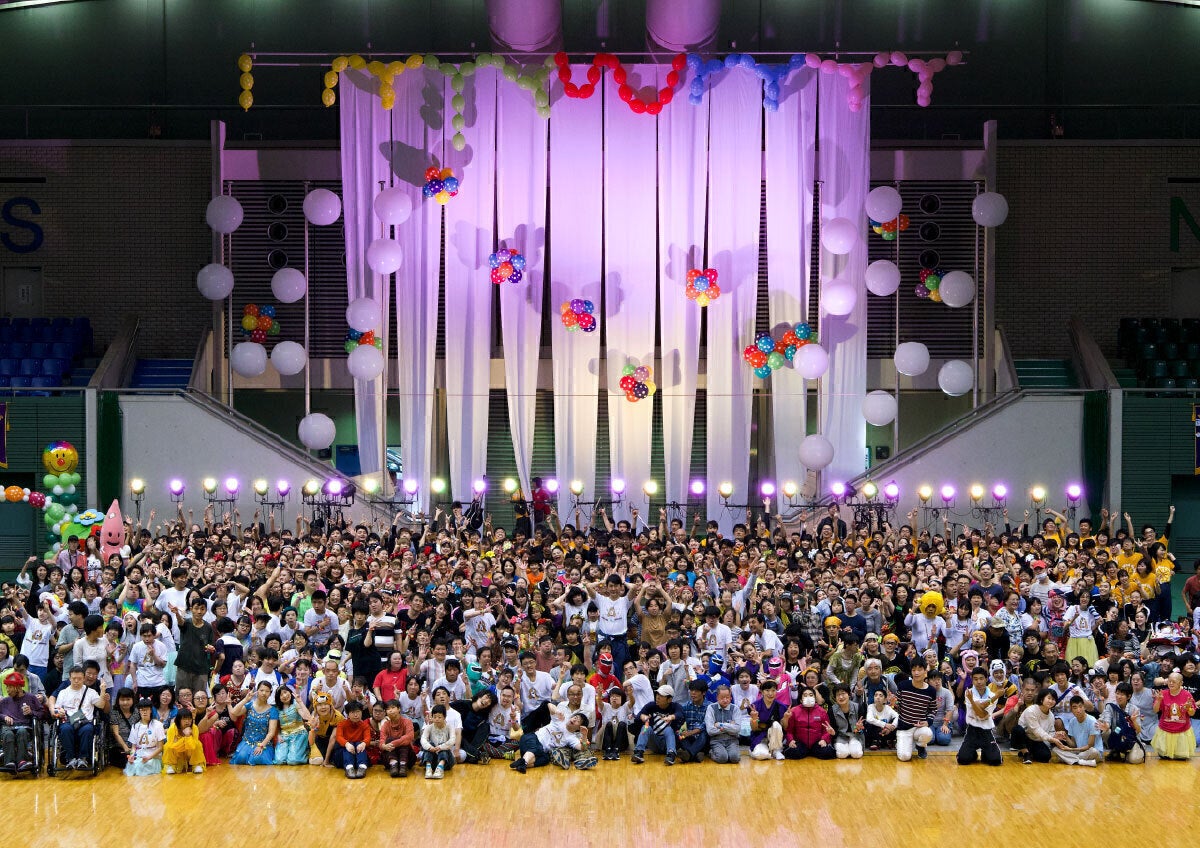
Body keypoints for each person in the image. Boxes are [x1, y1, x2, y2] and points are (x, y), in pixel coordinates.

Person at [47, 665, 102, 770]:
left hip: (85, 721)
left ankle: (83, 758)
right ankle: (70, 758)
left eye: (79, 678)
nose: (76, 681)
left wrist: (103, 691)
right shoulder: (63, 692)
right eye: (74, 678)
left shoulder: (91, 692)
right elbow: (57, 709)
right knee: (65, 729)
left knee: (88, 729)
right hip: (68, 721)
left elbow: (101, 705)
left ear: (84, 678)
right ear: (70, 678)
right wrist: (59, 712)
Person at [509, 701, 586, 773]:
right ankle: (524, 763)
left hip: (533, 752)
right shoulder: (560, 720)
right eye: (575, 717)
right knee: (536, 747)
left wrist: (584, 735)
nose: (574, 719)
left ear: (579, 728)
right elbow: (548, 704)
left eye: (578, 721)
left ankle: (523, 762)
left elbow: (582, 748)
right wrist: (557, 711)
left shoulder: (571, 738)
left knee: (545, 759)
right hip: (530, 738)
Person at [957, 666, 1003, 766]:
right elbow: (980, 709)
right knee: (963, 759)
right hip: (972, 730)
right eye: (975, 679)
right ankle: (972, 753)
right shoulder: (969, 692)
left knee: (995, 760)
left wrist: (973, 701)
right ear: (972, 680)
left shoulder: (992, 694)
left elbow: (982, 715)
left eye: (981, 678)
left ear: (986, 679)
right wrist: (995, 697)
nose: (979, 682)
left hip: (986, 730)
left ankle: (986, 753)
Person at [894, 659, 936, 761]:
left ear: (925, 671)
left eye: (919, 670)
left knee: (928, 733)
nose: (916, 673)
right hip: (904, 727)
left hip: (919, 727)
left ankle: (920, 746)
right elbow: (896, 706)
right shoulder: (902, 686)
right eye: (913, 670)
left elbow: (933, 710)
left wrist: (928, 722)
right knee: (904, 757)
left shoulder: (931, 691)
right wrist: (893, 704)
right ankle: (903, 742)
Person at [631, 684, 683, 765]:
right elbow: (639, 715)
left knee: (668, 729)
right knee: (646, 727)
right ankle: (638, 752)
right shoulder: (651, 705)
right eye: (657, 694)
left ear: (669, 699)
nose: (657, 697)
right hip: (655, 742)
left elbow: (680, 714)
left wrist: (671, 717)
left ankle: (671, 754)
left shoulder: (675, 706)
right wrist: (643, 716)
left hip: (669, 742)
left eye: (661, 696)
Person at [229, 681, 278, 765]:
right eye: (261, 690)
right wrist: (245, 700)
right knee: (241, 757)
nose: (264, 693)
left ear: (270, 694)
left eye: (267, 691)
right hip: (247, 742)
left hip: (264, 743)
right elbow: (234, 712)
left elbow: (271, 732)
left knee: (257, 758)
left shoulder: (273, 710)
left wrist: (261, 745)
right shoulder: (250, 705)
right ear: (257, 691)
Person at [0, 672, 41, 772]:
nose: (7, 690)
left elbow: (42, 713)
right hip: (8, 727)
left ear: (18, 687)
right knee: (8, 734)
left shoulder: (31, 698)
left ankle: (22, 761)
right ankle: (9, 762)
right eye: (6, 687)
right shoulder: (5, 701)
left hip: (24, 727)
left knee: (22, 732)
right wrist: (4, 717)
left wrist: (31, 712)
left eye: (10, 687)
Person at [1151, 671, 1197, 760]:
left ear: (1181, 683)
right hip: (1165, 729)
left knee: (1181, 757)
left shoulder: (1187, 695)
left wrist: (1188, 708)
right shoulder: (1163, 693)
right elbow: (1155, 710)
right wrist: (1158, 700)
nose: (1171, 683)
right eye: (1169, 681)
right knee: (1164, 756)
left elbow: (1192, 713)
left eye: (1174, 682)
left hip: (1182, 730)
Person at [783, 685, 834, 760]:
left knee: (828, 753)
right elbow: (789, 730)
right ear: (801, 700)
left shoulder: (822, 711)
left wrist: (824, 740)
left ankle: (811, 752)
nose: (808, 697)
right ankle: (806, 752)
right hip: (800, 743)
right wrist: (791, 740)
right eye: (805, 695)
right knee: (793, 753)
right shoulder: (794, 711)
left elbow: (826, 730)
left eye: (811, 695)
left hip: (817, 742)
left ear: (815, 699)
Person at [1103, 681, 1145, 763]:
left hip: (1131, 739)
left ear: (1128, 696)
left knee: (1134, 760)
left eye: (1122, 694)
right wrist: (1106, 726)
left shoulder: (1134, 709)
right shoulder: (1110, 706)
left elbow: (1138, 730)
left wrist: (1133, 721)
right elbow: (1107, 720)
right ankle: (1115, 750)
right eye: (1117, 693)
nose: (1118, 697)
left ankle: (1135, 750)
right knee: (1106, 732)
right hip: (1117, 736)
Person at [273, 684, 314, 765]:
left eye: (285, 692)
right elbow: (277, 726)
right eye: (281, 695)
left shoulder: (295, 703)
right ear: (278, 698)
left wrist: (300, 702)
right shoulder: (277, 709)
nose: (284, 696)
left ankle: (306, 752)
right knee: (279, 761)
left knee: (293, 760)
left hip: (299, 734)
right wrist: (278, 735)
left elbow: (307, 717)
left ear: (290, 692)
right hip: (284, 736)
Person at [1055, 695, 1102, 766]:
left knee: (1094, 751)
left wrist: (1070, 750)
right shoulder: (1072, 722)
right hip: (1079, 752)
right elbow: (1073, 745)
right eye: (1075, 707)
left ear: (1084, 707)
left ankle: (1071, 760)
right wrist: (1065, 736)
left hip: (1091, 752)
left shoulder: (1092, 721)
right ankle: (1082, 762)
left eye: (1080, 706)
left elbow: (1090, 746)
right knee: (1055, 750)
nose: (1078, 710)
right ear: (1071, 709)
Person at [1015, 688, 1059, 764]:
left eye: (1053, 699)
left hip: (1037, 740)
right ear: (1041, 699)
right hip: (1025, 738)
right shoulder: (1031, 710)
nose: (1051, 701)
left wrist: (1055, 736)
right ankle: (1025, 753)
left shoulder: (1051, 716)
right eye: (1049, 698)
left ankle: (1029, 751)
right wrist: (1052, 739)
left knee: (1046, 757)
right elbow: (1036, 730)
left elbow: (1051, 731)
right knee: (1017, 729)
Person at [124, 697, 166, 776]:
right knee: (133, 767)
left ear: (150, 710)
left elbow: (160, 748)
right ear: (139, 711)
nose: (144, 712)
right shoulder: (135, 726)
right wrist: (132, 756)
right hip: (139, 756)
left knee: (143, 766)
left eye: (146, 709)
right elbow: (133, 747)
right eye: (142, 710)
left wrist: (149, 757)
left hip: (153, 757)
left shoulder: (158, 725)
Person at [748, 678, 787, 760]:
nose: (770, 693)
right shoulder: (755, 706)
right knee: (761, 755)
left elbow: (785, 727)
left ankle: (776, 750)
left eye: (773, 690)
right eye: (767, 690)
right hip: (760, 737)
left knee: (776, 724)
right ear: (762, 691)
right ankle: (764, 750)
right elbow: (754, 729)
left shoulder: (781, 706)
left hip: (775, 737)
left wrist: (786, 718)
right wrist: (754, 719)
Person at [704, 684, 743, 764]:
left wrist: (719, 725)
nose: (725, 700)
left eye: (727, 697)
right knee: (722, 758)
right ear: (717, 698)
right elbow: (710, 730)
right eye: (722, 698)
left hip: (732, 740)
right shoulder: (711, 708)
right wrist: (730, 726)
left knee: (735, 758)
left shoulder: (735, 708)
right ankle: (711, 752)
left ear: (731, 697)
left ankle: (729, 753)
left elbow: (737, 729)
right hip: (716, 740)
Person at [379, 698, 415, 777]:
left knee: (404, 742)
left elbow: (410, 737)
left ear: (399, 709)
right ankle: (393, 764)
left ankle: (403, 765)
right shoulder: (385, 724)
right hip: (389, 759)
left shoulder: (407, 722)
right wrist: (384, 746)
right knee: (388, 740)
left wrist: (393, 743)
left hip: (408, 758)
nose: (390, 711)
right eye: (388, 709)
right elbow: (382, 740)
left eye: (393, 708)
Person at [162, 709, 206, 774]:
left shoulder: (194, 728)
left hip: (189, 751)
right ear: (178, 720)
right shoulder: (172, 728)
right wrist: (184, 740)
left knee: (198, 744)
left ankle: (197, 765)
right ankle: (170, 765)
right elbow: (172, 745)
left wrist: (187, 736)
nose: (187, 721)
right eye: (184, 719)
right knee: (167, 746)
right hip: (177, 753)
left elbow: (193, 746)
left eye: (189, 719)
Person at [336, 700, 371, 778]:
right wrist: (347, 744)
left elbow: (368, 738)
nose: (356, 715)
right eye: (352, 712)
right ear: (348, 714)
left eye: (358, 712)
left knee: (359, 744)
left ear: (362, 712)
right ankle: (349, 767)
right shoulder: (341, 724)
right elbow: (339, 737)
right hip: (344, 753)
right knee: (350, 744)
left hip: (359, 752)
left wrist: (363, 743)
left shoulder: (365, 725)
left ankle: (362, 767)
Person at [677, 679, 710, 763]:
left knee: (704, 733)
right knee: (678, 734)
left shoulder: (710, 707)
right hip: (689, 738)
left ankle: (689, 754)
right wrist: (681, 731)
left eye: (696, 691)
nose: (693, 693)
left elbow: (706, 725)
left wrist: (691, 732)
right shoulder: (685, 706)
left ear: (703, 692)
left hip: (703, 740)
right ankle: (695, 754)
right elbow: (680, 722)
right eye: (691, 690)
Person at [828, 683, 864, 759]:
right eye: (838, 695)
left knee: (856, 754)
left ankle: (851, 747)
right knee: (842, 754)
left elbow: (863, 729)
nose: (841, 697)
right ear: (835, 697)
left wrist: (858, 728)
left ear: (849, 694)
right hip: (840, 736)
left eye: (843, 693)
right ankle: (846, 747)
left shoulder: (858, 707)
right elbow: (834, 730)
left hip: (856, 736)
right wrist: (833, 733)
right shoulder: (832, 710)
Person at [421, 704, 456, 779]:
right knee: (429, 744)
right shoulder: (429, 727)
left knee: (443, 746)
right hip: (433, 760)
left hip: (446, 761)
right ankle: (428, 768)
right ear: (432, 717)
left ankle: (440, 768)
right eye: (434, 717)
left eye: (439, 717)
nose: (437, 719)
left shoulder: (450, 727)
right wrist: (430, 747)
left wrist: (440, 747)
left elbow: (452, 740)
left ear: (444, 717)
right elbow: (423, 739)